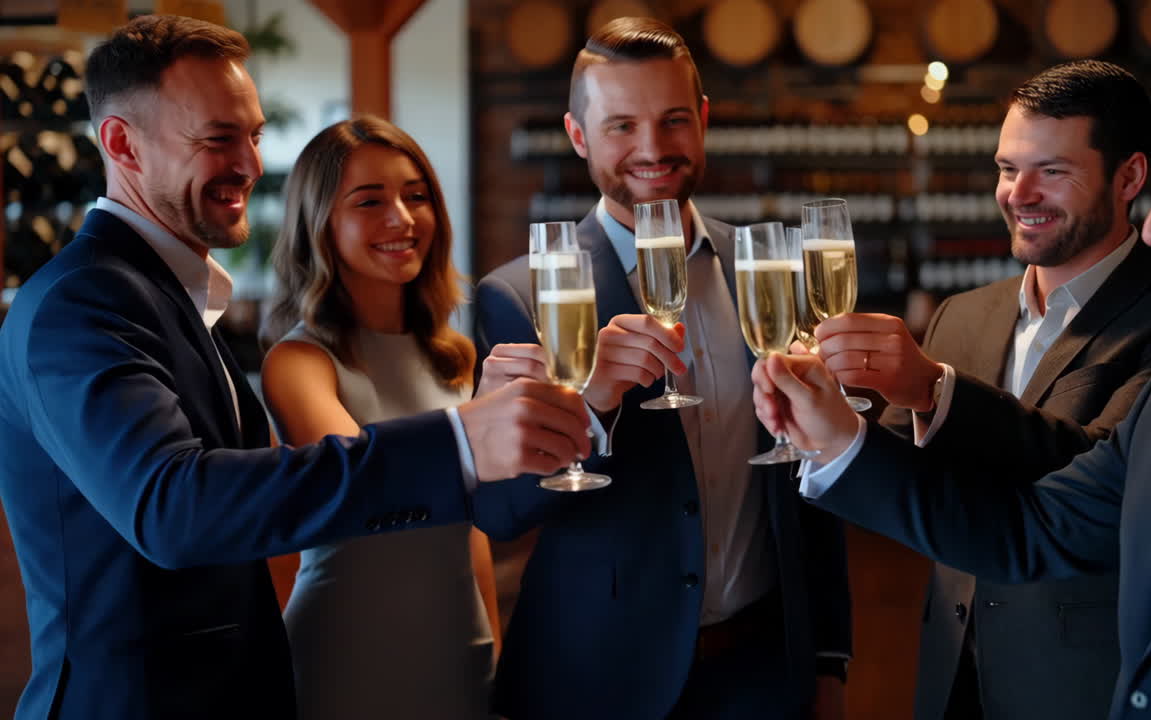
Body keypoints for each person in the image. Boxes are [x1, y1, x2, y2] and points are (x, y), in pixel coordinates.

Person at [0, 15, 588, 720]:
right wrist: (462, 441)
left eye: (251, 134)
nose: (251, 162)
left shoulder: (171, 297)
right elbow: (174, 510)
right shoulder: (81, 301)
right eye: (219, 138)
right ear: (123, 144)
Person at [755, 47, 1151, 719]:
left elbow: (1071, 461)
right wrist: (832, 433)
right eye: (1007, 169)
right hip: (954, 674)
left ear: (1127, 177)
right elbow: (1030, 524)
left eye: (1051, 171)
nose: (1018, 194)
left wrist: (932, 389)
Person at [473, 17, 851, 720]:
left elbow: (807, 477)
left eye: (674, 120)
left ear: (702, 121)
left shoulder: (766, 272)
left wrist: (828, 659)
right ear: (578, 136)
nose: (652, 149)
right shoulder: (521, 296)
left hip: (763, 676)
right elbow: (501, 512)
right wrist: (589, 405)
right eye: (621, 126)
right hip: (597, 682)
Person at [258, 116, 500, 719]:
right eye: (370, 201)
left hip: (459, 650)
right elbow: (367, 485)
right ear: (320, 225)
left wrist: (495, 642)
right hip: (345, 657)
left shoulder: (454, 355)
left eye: (416, 196)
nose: (403, 218)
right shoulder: (299, 361)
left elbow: (473, 529)